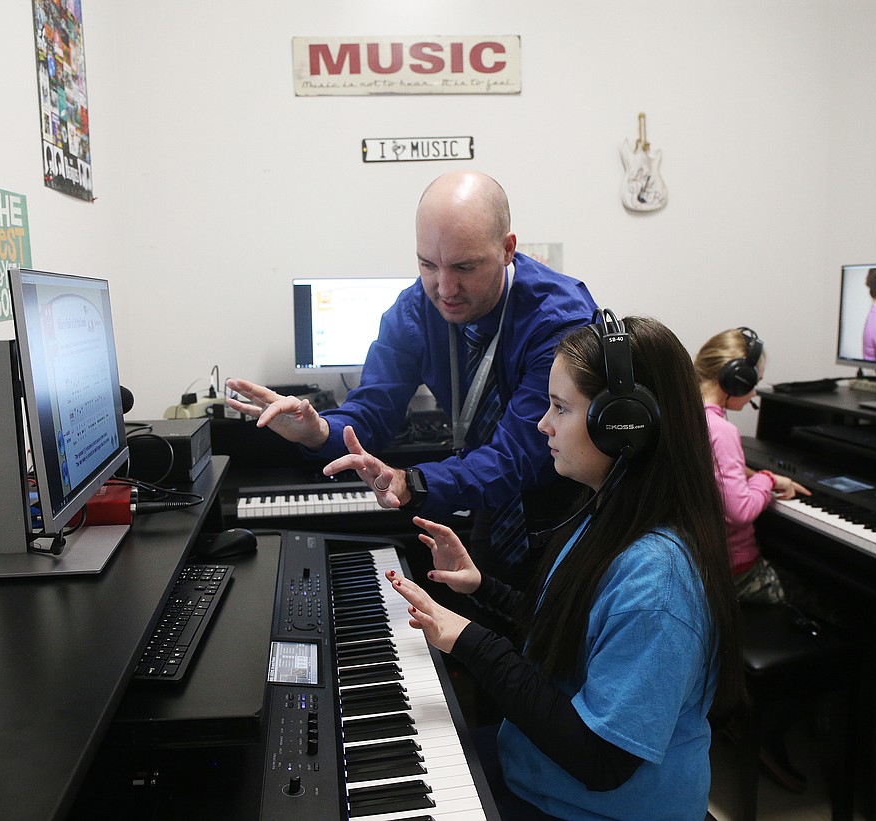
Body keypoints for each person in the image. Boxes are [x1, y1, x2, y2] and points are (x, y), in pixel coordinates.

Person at [386, 314, 746, 821]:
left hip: (595, 806)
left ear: (623, 424)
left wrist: (471, 641)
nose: (543, 425)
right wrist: (482, 587)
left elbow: (602, 762)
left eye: (560, 408)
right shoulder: (608, 512)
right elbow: (572, 632)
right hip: (538, 770)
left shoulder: (658, 584)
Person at [227, 170, 597, 583]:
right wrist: (316, 431)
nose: (444, 288)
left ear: (508, 249)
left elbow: (519, 457)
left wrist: (412, 482)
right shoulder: (415, 310)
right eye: (428, 264)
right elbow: (370, 413)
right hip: (492, 509)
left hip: (567, 509)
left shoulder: (558, 320)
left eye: (464, 266)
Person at [694, 326, 816, 793]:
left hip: (703, 569)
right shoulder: (722, 428)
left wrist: (746, 473)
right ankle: (767, 728)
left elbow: (718, 475)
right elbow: (739, 508)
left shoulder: (685, 415)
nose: (755, 391)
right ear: (736, 378)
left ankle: (734, 708)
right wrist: (767, 480)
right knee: (823, 605)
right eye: (754, 381)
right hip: (737, 574)